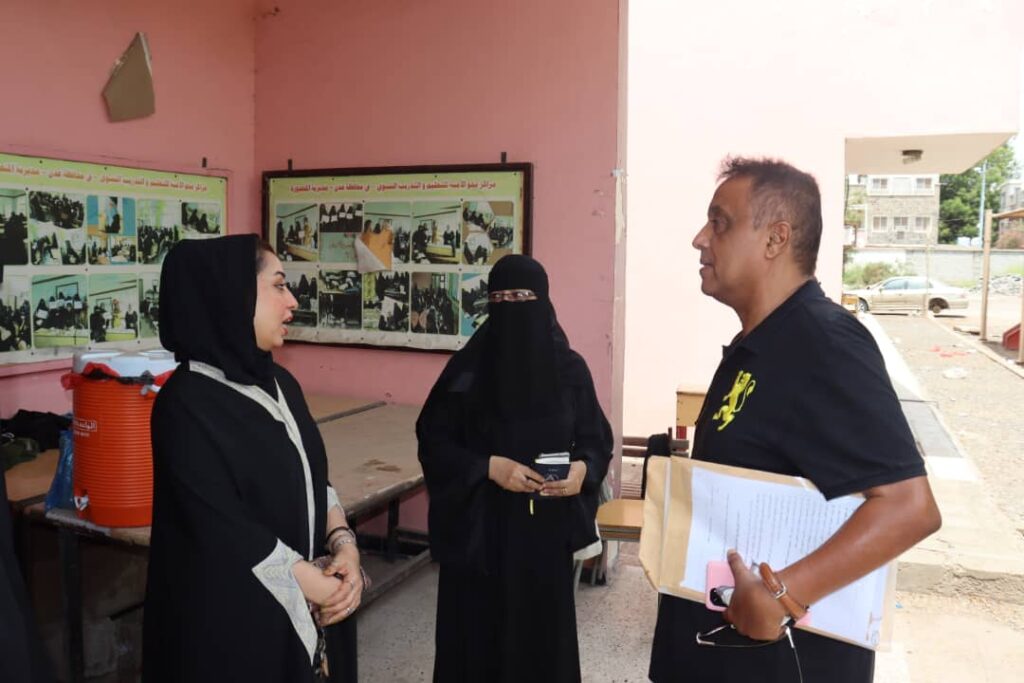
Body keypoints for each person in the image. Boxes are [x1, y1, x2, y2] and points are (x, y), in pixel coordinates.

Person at [648, 157, 941, 683]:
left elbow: (909, 507)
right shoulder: (761, 342)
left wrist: (784, 596)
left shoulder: (824, 341)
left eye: (719, 223)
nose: (699, 239)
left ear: (775, 239)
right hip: (726, 650)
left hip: (784, 662)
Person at [143, 235, 364, 682]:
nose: (292, 300)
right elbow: (219, 523)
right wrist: (314, 584)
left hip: (307, 596)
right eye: (278, 285)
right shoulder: (185, 404)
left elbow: (312, 476)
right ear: (233, 296)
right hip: (232, 626)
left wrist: (344, 544)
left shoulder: (281, 383)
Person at [417, 254, 613, 682]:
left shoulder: (569, 370)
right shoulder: (467, 371)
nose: (511, 306)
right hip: (478, 537)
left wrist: (582, 471)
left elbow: (596, 441)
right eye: (500, 298)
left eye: (522, 296)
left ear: (542, 299)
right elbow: (433, 440)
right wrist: (488, 467)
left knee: (538, 648)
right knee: (475, 646)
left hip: (543, 539)